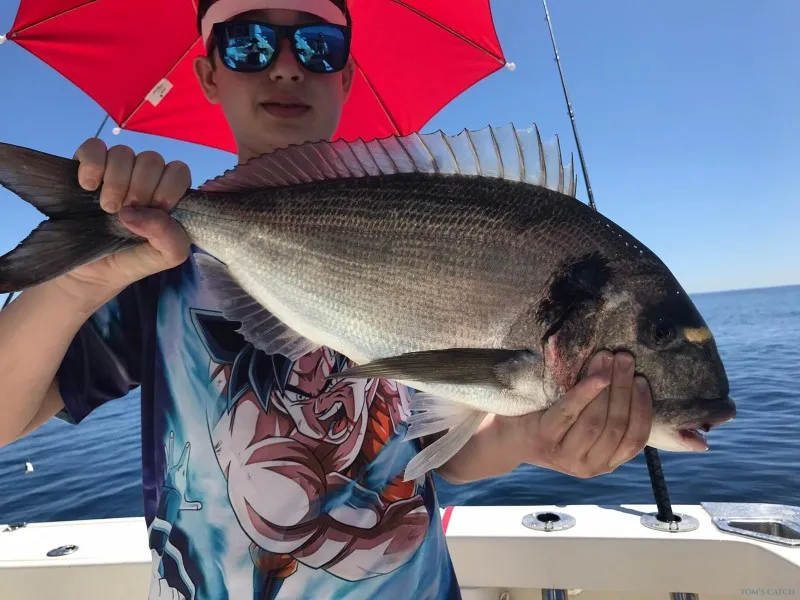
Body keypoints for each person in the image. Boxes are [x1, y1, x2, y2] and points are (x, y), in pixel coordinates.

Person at [0, 1, 653, 598]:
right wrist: (80, 279)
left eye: (318, 45)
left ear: (346, 76)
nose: (286, 66)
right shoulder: (154, 264)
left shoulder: (425, 237)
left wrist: (530, 437)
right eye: (249, 42)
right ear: (208, 73)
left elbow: (439, 453)